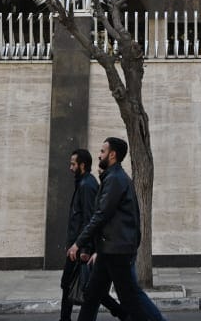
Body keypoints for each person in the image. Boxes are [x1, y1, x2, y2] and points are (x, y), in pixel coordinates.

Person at [68, 137, 167, 321]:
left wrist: (78, 244)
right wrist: (97, 249)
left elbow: (101, 215)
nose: (99, 155)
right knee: (92, 294)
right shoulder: (113, 177)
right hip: (109, 249)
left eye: (102, 151)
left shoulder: (115, 179)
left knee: (130, 297)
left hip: (116, 250)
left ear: (112, 155)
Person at [61, 148, 124, 321]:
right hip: (77, 245)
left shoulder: (87, 185)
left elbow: (90, 218)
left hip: (80, 247)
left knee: (85, 287)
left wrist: (85, 249)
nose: (70, 168)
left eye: (73, 164)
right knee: (78, 285)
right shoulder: (83, 183)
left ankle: (122, 312)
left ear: (82, 165)